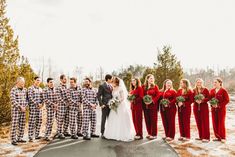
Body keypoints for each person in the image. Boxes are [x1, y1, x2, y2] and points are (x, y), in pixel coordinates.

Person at [104, 77, 135, 141]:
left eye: (113, 82)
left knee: (120, 119)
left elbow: (123, 98)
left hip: (120, 106)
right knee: (113, 119)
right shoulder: (113, 89)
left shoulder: (120, 88)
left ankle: (121, 134)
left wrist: (117, 102)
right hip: (114, 106)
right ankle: (113, 134)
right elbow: (113, 97)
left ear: (116, 82)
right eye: (112, 82)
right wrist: (112, 102)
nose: (112, 83)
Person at [209, 78, 229, 143]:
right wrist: (212, 104)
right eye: (214, 82)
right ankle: (217, 137)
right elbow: (210, 99)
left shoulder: (223, 91)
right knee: (215, 122)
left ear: (220, 83)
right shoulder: (212, 90)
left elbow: (227, 100)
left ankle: (223, 137)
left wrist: (219, 105)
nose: (214, 83)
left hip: (221, 110)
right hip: (213, 109)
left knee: (221, 122)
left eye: (216, 82)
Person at [10, 77, 28, 145]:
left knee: (22, 125)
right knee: (14, 125)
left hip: (23, 110)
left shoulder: (25, 90)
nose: (23, 84)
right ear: (17, 82)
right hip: (16, 110)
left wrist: (25, 106)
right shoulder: (13, 90)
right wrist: (20, 107)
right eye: (21, 83)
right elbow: (13, 100)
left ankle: (19, 138)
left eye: (23, 83)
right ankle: (13, 140)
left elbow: (27, 100)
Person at [142, 74, 160, 140]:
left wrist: (152, 101)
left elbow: (158, 95)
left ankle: (154, 134)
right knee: (147, 120)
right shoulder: (143, 87)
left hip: (153, 106)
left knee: (153, 120)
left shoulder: (155, 87)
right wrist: (145, 100)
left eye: (152, 78)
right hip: (145, 106)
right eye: (150, 78)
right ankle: (149, 133)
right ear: (147, 79)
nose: (152, 80)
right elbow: (142, 95)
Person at [193, 78, 210, 142]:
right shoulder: (194, 90)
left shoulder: (205, 90)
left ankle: (206, 137)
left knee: (205, 122)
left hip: (204, 108)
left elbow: (208, 98)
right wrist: (196, 100)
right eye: (197, 82)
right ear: (196, 83)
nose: (199, 83)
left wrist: (202, 100)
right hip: (196, 108)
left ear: (202, 83)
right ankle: (201, 136)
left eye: (200, 82)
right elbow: (192, 98)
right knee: (198, 122)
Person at [28, 76, 43, 142]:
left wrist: (42, 104)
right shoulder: (30, 88)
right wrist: (37, 104)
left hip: (39, 108)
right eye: (37, 80)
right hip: (33, 108)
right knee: (32, 122)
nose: (38, 81)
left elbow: (42, 98)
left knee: (39, 121)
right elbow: (30, 98)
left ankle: (36, 135)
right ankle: (30, 137)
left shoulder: (40, 89)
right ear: (34, 81)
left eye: (39, 80)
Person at [56, 74, 70, 139]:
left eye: (66, 79)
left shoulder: (67, 87)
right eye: (64, 79)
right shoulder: (58, 87)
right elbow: (59, 97)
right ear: (61, 79)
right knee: (60, 120)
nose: (66, 80)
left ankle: (65, 131)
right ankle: (59, 133)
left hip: (68, 106)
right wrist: (65, 103)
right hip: (61, 107)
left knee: (67, 119)